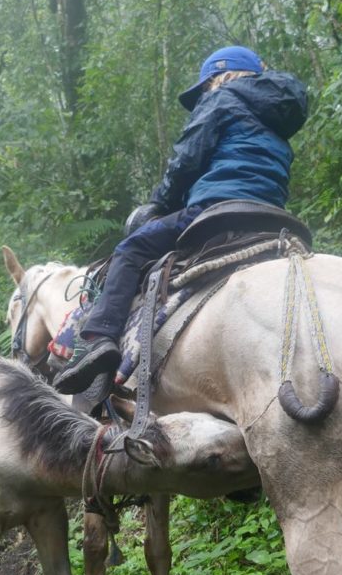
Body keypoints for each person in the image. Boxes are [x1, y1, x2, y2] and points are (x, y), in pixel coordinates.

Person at [54, 45, 308, 396]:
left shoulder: (221, 99)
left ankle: (101, 338)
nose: (205, 92)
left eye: (207, 84)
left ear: (223, 76)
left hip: (217, 209)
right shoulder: (278, 118)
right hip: (272, 216)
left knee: (131, 249)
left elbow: (187, 162)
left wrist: (158, 205)